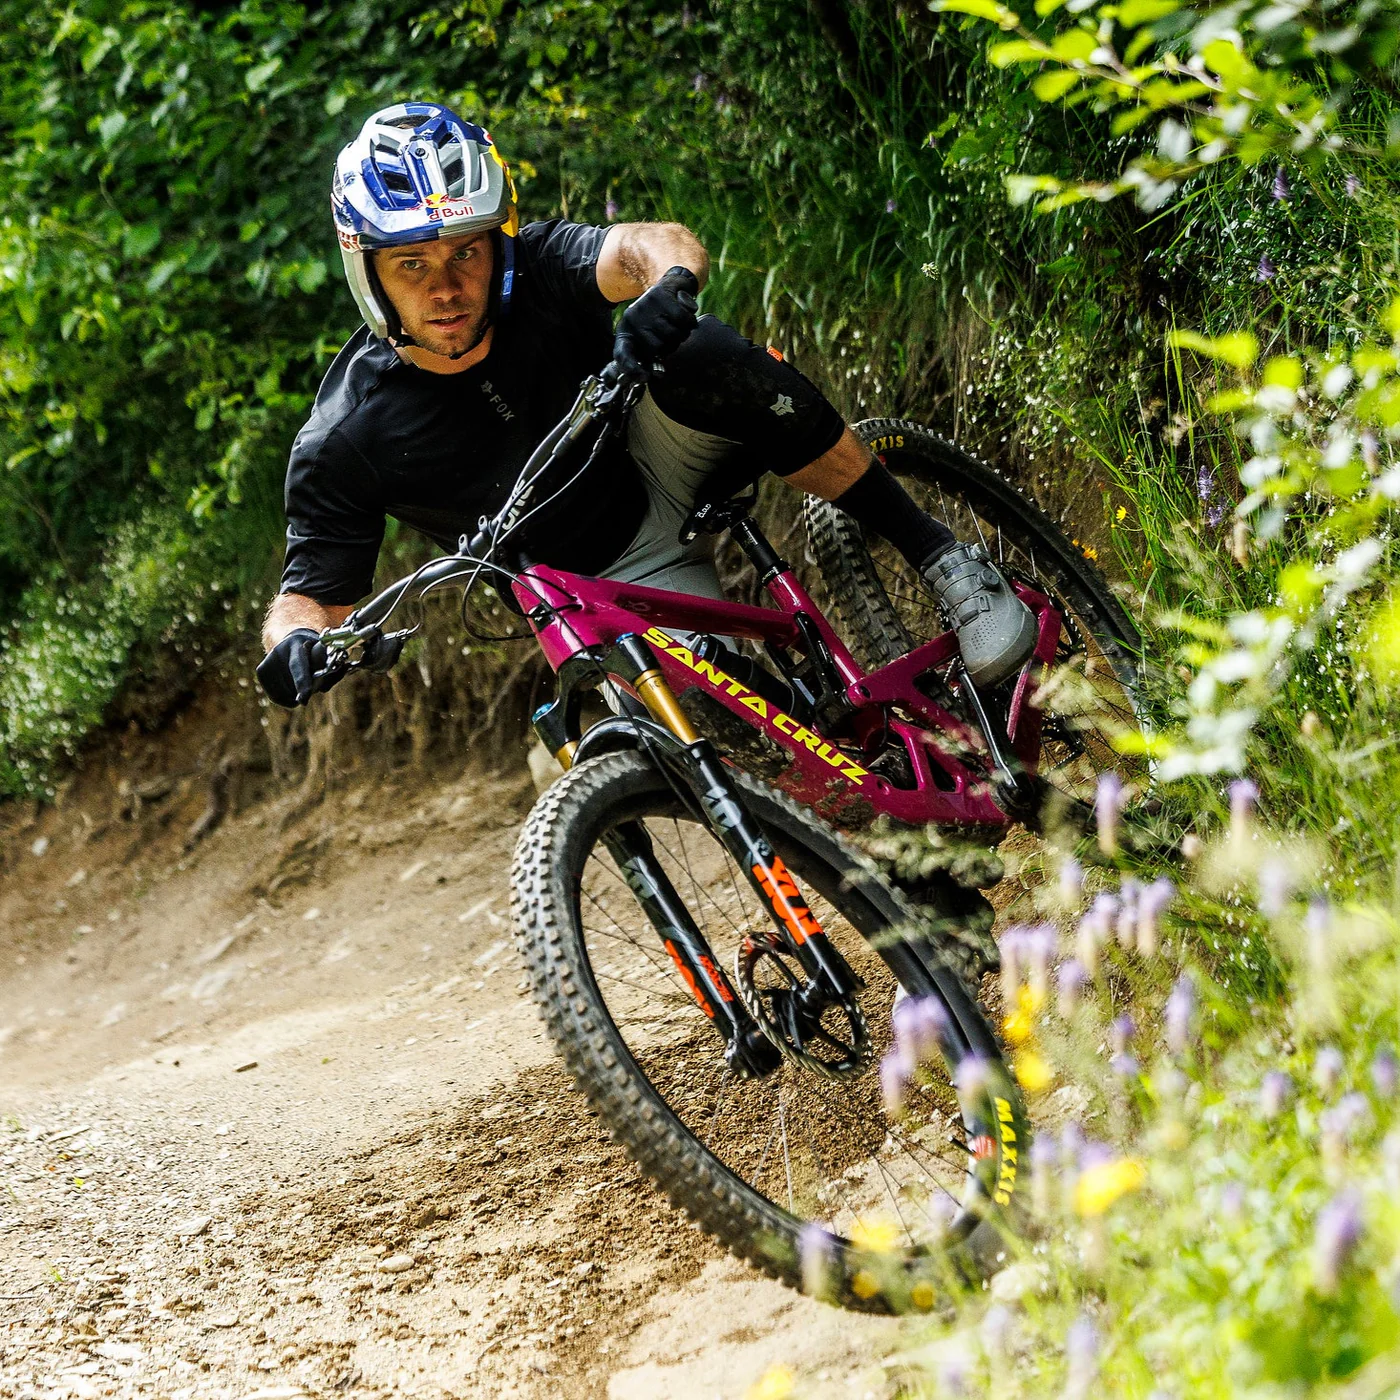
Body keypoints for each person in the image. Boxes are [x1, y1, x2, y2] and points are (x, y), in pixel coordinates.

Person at [256, 102, 1035, 709]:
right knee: (750, 739)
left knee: (698, 348)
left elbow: (649, 244)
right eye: (412, 265)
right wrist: (293, 646)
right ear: (368, 273)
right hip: (598, 587)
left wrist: (670, 287)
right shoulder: (344, 437)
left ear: (497, 243)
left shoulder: (537, 268)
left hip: (660, 455)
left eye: (466, 252)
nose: (447, 287)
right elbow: (308, 599)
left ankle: (943, 560)